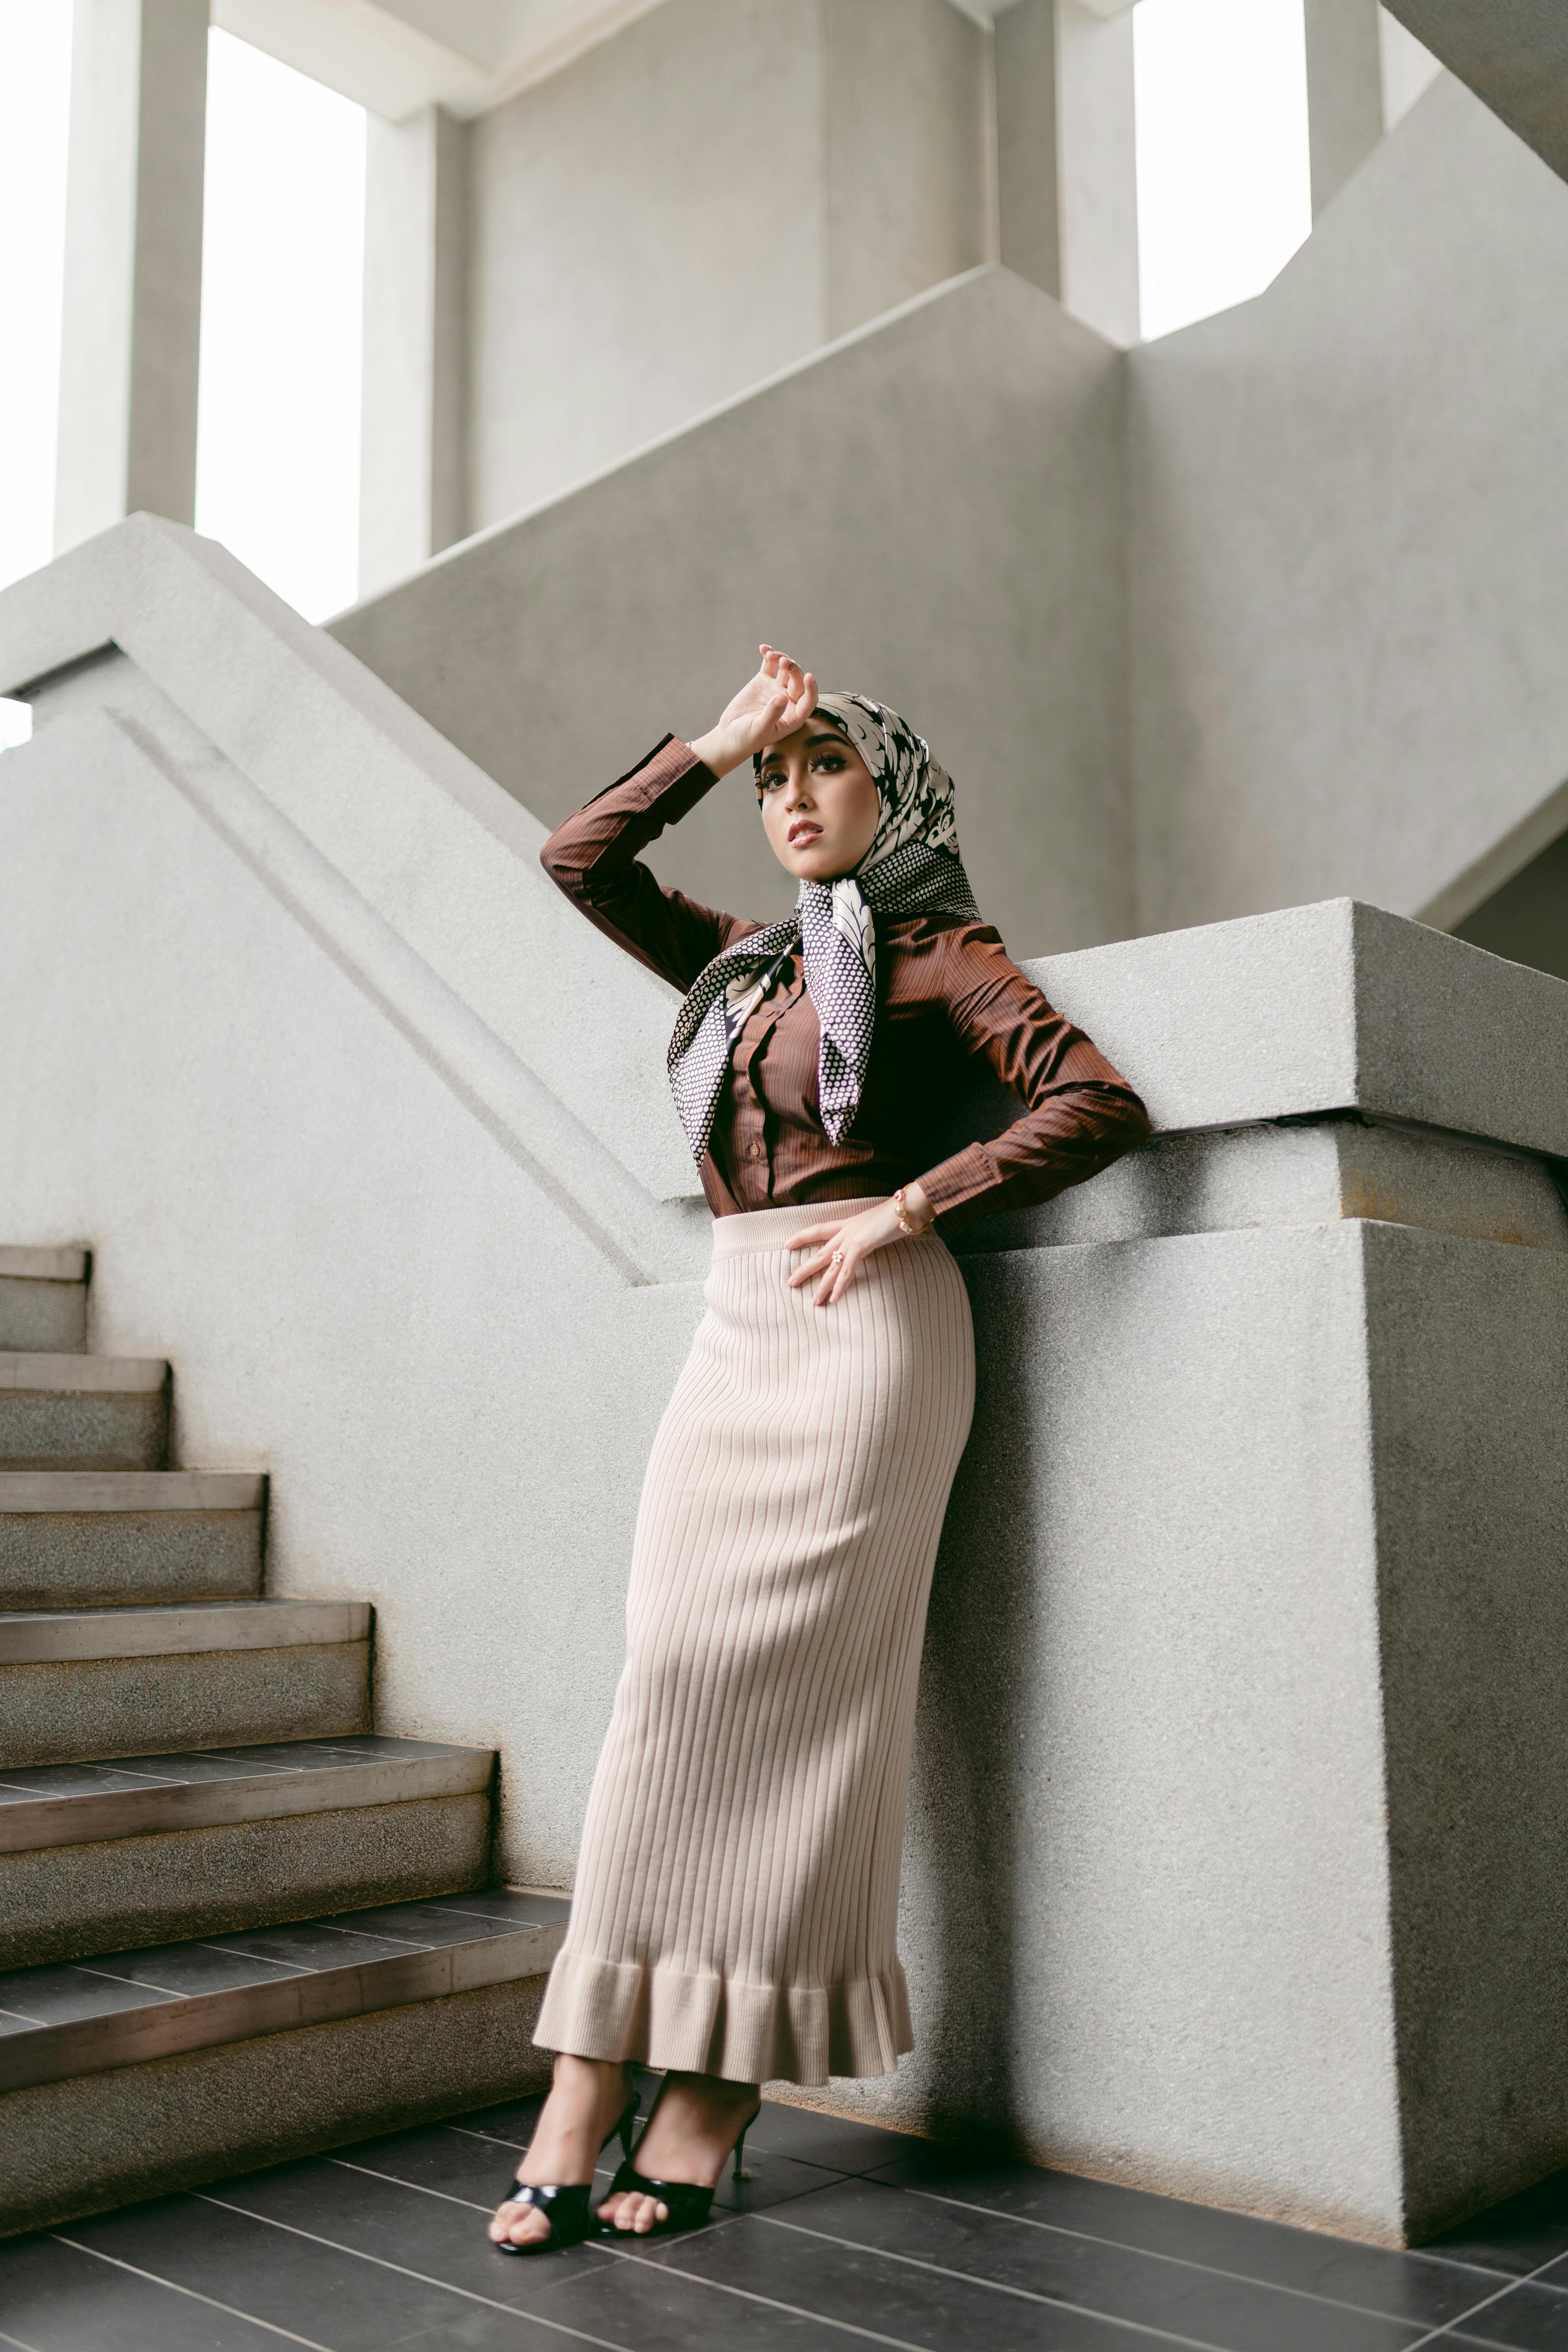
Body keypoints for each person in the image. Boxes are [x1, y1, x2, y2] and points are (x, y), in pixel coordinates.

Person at [488, 648, 1150, 2254]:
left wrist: (912, 1208)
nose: (792, 800)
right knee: (671, 1683)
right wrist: (716, 743)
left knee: (819, 1719)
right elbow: (579, 858)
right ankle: (584, 2081)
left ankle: (714, 2096)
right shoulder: (744, 967)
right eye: (779, 781)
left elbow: (1095, 1101)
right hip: (735, 1337)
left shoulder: (940, 952)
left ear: (894, 792)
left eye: (822, 770)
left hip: (868, 1343)